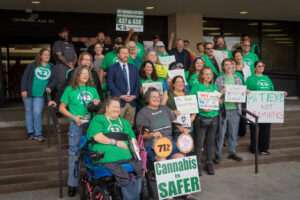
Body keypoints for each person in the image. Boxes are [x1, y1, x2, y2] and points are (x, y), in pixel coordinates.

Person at [87, 97, 142, 200]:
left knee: (139, 170)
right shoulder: (98, 119)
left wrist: (136, 148)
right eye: (114, 106)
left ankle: (133, 197)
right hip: (107, 158)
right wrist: (115, 142)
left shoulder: (124, 122)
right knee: (123, 177)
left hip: (127, 157)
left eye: (118, 107)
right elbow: (97, 137)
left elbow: (132, 138)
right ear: (107, 107)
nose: (117, 109)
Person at [59, 66, 100, 197]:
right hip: (76, 125)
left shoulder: (93, 89)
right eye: (82, 73)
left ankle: (92, 181)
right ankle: (72, 184)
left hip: (91, 125)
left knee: (92, 153)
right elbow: (61, 108)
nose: (85, 75)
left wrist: (97, 102)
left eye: (87, 73)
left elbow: (98, 106)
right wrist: (73, 117)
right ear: (77, 75)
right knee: (74, 154)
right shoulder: (70, 89)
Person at [190, 67, 220, 175]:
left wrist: (220, 98)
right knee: (199, 143)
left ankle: (209, 163)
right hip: (201, 118)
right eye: (206, 74)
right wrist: (200, 108)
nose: (208, 76)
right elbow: (191, 101)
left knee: (210, 142)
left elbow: (217, 102)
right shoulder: (197, 86)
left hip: (214, 118)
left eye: (210, 74)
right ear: (202, 75)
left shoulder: (214, 87)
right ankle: (197, 165)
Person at [21, 48, 54, 142]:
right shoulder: (32, 65)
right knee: (28, 112)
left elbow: (54, 80)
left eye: (48, 55)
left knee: (37, 112)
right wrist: (23, 89)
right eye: (45, 54)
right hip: (28, 92)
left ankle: (38, 134)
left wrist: (50, 87)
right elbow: (25, 77)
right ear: (40, 56)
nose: (47, 56)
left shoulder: (51, 66)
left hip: (40, 94)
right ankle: (30, 132)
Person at [215, 59, 243, 164]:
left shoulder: (238, 79)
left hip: (235, 109)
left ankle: (232, 152)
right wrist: (222, 92)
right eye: (226, 65)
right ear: (223, 67)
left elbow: (241, 92)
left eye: (230, 64)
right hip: (223, 109)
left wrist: (245, 93)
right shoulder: (219, 79)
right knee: (221, 134)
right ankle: (218, 154)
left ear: (233, 66)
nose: (229, 66)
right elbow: (216, 95)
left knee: (233, 133)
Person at [246, 61, 275, 155]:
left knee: (266, 128)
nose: (261, 67)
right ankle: (254, 147)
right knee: (254, 128)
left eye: (263, 66)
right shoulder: (250, 79)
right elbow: (247, 90)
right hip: (255, 107)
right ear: (255, 68)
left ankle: (263, 148)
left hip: (266, 107)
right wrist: (248, 91)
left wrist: (281, 95)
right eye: (259, 66)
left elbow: (272, 90)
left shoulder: (267, 78)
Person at [107, 46, 139, 124]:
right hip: (118, 102)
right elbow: (110, 84)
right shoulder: (112, 68)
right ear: (118, 55)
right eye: (123, 53)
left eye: (127, 53)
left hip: (132, 102)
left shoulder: (134, 68)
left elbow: (137, 83)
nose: (126, 55)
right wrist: (120, 96)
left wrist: (134, 95)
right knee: (117, 124)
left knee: (129, 126)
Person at [52, 27, 77, 104]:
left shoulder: (71, 44)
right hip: (61, 68)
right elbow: (59, 56)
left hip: (71, 68)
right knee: (61, 87)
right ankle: (59, 108)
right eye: (63, 32)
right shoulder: (57, 43)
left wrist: (73, 64)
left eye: (66, 32)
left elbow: (75, 56)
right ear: (59, 34)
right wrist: (68, 64)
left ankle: (69, 107)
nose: (65, 34)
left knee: (71, 87)